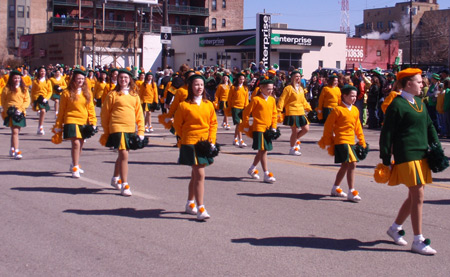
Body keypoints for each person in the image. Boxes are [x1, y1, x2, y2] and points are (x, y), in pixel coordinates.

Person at [380, 68, 443, 255]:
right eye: (419, 82)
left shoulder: (420, 103)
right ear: (408, 83)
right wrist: (385, 158)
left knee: (414, 195)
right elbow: (387, 133)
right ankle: (418, 240)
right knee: (419, 195)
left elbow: (429, 125)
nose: (422, 84)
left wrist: (437, 146)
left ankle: (395, 228)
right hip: (406, 154)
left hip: (422, 153)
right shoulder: (396, 105)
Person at [173, 74, 218, 220]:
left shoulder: (208, 104)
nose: (199, 87)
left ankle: (190, 203)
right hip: (190, 142)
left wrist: (211, 141)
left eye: (201, 85)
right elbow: (177, 125)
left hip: (204, 143)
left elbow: (213, 124)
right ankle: (200, 208)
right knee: (200, 175)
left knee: (195, 175)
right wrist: (185, 139)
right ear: (190, 87)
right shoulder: (183, 105)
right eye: (196, 85)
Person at [100, 68, 145, 196]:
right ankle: (125, 184)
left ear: (129, 80)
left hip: (130, 128)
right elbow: (105, 114)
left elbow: (139, 115)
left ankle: (115, 178)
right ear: (117, 79)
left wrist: (141, 131)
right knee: (124, 155)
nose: (123, 80)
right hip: (117, 126)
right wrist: (107, 132)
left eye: (125, 78)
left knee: (122, 154)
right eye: (121, 78)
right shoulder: (112, 94)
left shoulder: (134, 95)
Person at [318, 85, 366, 202]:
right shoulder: (337, 110)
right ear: (344, 96)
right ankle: (351, 191)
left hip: (351, 140)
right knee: (352, 164)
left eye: (355, 96)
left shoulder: (355, 110)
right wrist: (328, 141)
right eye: (351, 96)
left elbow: (357, 127)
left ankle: (335, 188)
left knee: (345, 166)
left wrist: (361, 140)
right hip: (341, 140)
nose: (354, 98)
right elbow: (328, 126)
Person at [52, 67, 97, 178]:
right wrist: (58, 125)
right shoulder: (66, 93)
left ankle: (74, 162)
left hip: (83, 120)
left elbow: (91, 108)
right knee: (76, 143)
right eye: (78, 78)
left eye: (82, 79)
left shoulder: (87, 92)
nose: (80, 81)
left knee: (80, 144)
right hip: (71, 119)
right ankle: (75, 167)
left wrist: (93, 121)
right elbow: (62, 110)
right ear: (73, 79)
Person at [241, 77, 278, 183]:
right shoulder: (256, 99)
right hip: (258, 128)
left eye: (271, 89)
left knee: (262, 151)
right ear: (261, 88)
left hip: (268, 129)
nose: (270, 91)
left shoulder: (272, 100)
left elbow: (274, 114)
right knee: (263, 150)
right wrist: (246, 125)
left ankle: (252, 168)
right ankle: (266, 173)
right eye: (268, 89)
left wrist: (274, 127)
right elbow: (246, 113)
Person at [276, 70, 311, 156]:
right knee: (295, 131)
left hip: (300, 111)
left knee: (306, 129)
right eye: (296, 76)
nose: (298, 78)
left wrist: (309, 108)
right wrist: (278, 110)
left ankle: (295, 140)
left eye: (299, 77)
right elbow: (282, 99)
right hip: (292, 111)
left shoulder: (301, 89)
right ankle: (292, 148)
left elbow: (303, 100)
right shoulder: (288, 88)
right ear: (292, 78)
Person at [1, 69, 30, 159]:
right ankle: (17, 151)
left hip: (20, 112)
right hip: (11, 112)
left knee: (16, 132)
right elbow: (3, 101)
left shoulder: (24, 89)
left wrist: (21, 109)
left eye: (18, 78)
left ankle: (12, 148)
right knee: (15, 131)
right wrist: (8, 109)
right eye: (15, 78)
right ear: (11, 79)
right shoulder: (6, 88)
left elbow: (27, 100)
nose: (17, 80)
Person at [227, 72, 249, 147]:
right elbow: (229, 98)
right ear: (237, 79)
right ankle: (241, 140)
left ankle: (235, 139)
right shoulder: (233, 87)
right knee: (239, 124)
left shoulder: (245, 88)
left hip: (242, 108)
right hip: (235, 107)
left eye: (243, 79)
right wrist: (229, 107)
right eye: (240, 79)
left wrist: (246, 107)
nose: (242, 80)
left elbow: (246, 99)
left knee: (239, 125)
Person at [31, 66, 53, 135]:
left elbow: (50, 91)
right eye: (41, 71)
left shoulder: (48, 81)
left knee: (43, 111)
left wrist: (46, 98)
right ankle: (40, 126)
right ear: (39, 72)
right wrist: (32, 100)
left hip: (44, 99)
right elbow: (33, 91)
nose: (43, 73)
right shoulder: (35, 81)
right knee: (41, 111)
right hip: (37, 98)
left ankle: (40, 126)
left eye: (44, 71)